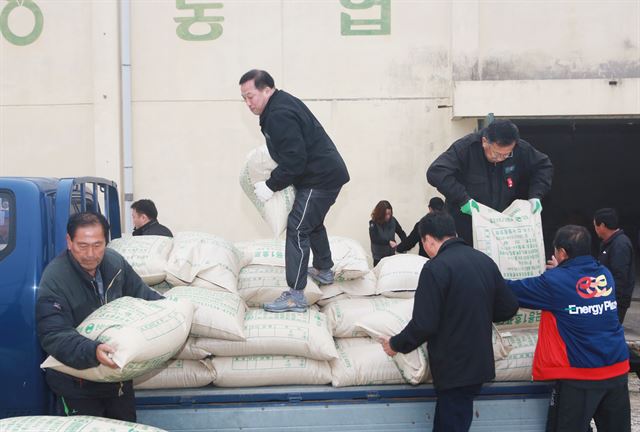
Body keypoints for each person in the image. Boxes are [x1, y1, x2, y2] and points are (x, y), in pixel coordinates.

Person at [381, 212, 519, 432]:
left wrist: (396, 344)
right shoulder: (484, 261)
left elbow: (424, 324)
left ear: (428, 240)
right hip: (479, 363)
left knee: (451, 424)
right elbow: (509, 306)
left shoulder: (435, 268)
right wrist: (478, 313)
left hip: (454, 367)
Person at [239, 69, 349, 313]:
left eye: (251, 96)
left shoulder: (279, 114)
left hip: (320, 178)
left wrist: (270, 185)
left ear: (267, 89)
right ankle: (324, 269)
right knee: (313, 221)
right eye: (244, 98)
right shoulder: (279, 104)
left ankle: (296, 295)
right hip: (323, 172)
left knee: (298, 226)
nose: (248, 103)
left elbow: (295, 160)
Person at [36, 212, 164, 422]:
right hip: (77, 383)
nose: (90, 254)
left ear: (106, 242)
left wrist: (168, 309)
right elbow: (53, 334)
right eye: (82, 246)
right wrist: (92, 350)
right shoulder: (55, 278)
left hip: (118, 382)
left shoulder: (114, 263)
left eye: (97, 245)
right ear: (69, 242)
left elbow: (143, 295)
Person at [506, 225, 630, 432]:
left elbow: (510, 290)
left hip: (581, 375)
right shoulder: (604, 275)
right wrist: (562, 271)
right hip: (616, 368)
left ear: (562, 252)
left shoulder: (554, 282)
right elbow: (576, 287)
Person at [427, 119, 553, 245]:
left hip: (500, 225)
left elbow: (543, 166)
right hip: (465, 224)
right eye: (497, 154)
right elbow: (436, 172)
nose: (501, 159)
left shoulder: (521, 149)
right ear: (484, 142)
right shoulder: (466, 148)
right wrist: (463, 199)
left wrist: (536, 195)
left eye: (506, 155)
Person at [594, 208, 635, 324]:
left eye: (595, 226)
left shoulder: (620, 244)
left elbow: (620, 277)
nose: (595, 229)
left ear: (602, 225)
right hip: (606, 297)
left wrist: (610, 300)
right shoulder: (609, 242)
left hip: (615, 301)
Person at [368, 200, 407, 266]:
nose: (388, 216)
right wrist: (388, 242)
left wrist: (405, 244)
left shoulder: (393, 220)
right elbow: (374, 238)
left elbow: (401, 232)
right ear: (380, 214)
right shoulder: (373, 223)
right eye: (385, 214)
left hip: (391, 256)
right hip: (379, 258)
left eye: (389, 213)